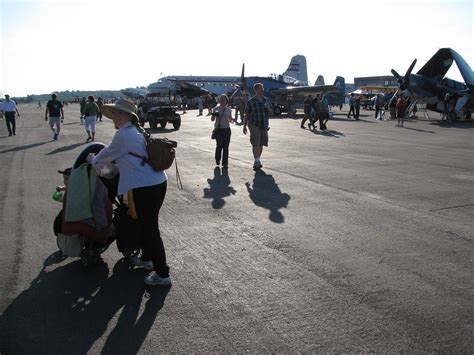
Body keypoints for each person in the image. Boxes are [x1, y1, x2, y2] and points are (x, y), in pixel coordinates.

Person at [86, 99, 170, 286]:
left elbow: (104, 156)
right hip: (157, 182)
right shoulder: (137, 131)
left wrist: (92, 159)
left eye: (116, 114)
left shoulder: (123, 135)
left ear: (125, 116)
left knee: (150, 230)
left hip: (145, 187)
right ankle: (148, 260)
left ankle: (163, 275)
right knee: (146, 225)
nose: (113, 117)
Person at [243, 83, 272, 170]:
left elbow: (271, 113)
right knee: (256, 142)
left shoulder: (266, 100)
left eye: (262, 88)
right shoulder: (251, 101)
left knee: (261, 143)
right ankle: (256, 161)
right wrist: (244, 126)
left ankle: (258, 159)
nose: (261, 90)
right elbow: (246, 114)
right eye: (259, 89)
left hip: (264, 124)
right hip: (253, 124)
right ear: (255, 90)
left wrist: (268, 108)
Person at [211, 94, 232, 168]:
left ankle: (225, 163)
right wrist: (214, 115)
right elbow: (212, 119)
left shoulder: (228, 109)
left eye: (224, 99)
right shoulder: (215, 109)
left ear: (226, 101)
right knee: (219, 145)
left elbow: (230, 119)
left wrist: (230, 119)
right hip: (218, 129)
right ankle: (217, 159)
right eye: (221, 99)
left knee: (226, 147)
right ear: (219, 100)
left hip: (226, 129)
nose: (222, 100)